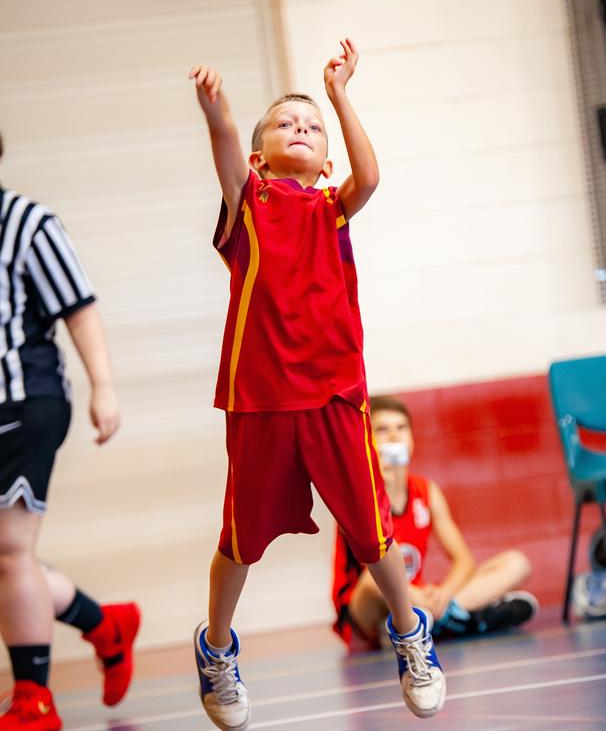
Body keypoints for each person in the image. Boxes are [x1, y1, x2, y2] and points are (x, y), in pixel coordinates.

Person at [190, 39, 446, 731]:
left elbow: (371, 175)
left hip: (335, 395)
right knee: (239, 540)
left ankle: (409, 630)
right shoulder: (248, 202)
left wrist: (337, 93)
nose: (298, 128)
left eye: (311, 127)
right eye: (285, 123)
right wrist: (218, 110)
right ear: (258, 156)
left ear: (325, 158)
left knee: (373, 534)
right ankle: (216, 647)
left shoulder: (332, 205)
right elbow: (222, 147)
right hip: (261, 401)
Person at [0, 134, 140, 730]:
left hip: (23, 401)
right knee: (6, 559)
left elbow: (79, 309)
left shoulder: (27, 223)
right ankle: (103, 623)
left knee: (9, 551)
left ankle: (34, 698)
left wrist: (103, 386)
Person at [333, 395, 538, 650]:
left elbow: (464, 560)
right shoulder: (356, 497)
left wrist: (444, 594)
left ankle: (439, 618)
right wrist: (379, 482)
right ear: (367, 442)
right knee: (375, 579)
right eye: (382, 430)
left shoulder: (426, 491)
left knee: (516, 563)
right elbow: (373, 567)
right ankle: (457, 617)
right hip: (367, 609)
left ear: (412, 441)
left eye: (401, 428)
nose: (394, 436)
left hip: (420, 598)